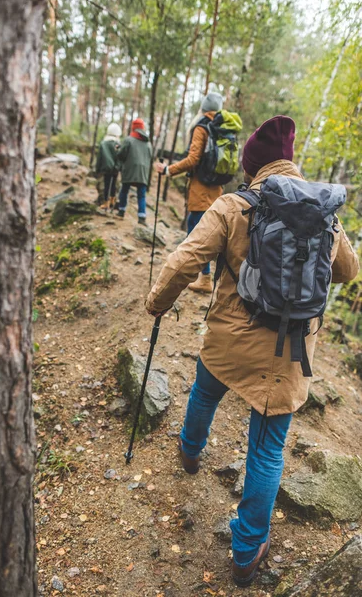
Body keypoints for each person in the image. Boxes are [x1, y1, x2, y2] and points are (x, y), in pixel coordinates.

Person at [146, 116, 359, 587]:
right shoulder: (323, 212)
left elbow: (185, 259)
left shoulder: (233, 205)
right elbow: (348, 270)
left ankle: (190, 450)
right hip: (288, 357)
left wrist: (157, 303)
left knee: (204, 392)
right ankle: (246, 554)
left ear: (252, 165)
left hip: (229, 341)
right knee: (266, 452)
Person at [155, 92, 224, 294]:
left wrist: (169, 170)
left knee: (195, 231)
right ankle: (209, 277)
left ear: (203, 108)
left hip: (201, 188)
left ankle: (201, 278)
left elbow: (193, 159)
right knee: (211, 232)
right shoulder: (221, 128)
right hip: (217, 188)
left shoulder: (202, 127)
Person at [117, 118, 152, 225]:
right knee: (141, 195)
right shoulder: (148, 143)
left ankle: (121, 211)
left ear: (134, 128)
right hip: (143, 172)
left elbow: (121, 155)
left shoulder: (128, 140)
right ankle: (142, 217)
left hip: (130, 169)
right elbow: (150, 157)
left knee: (124, 190)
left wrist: (118, 150)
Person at [94, 122, 122, 211]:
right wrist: (119, 167)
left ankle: (106, 202)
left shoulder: (103, 143)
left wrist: (97, 168)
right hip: (115, 168)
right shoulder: (118, 144)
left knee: (106, 184)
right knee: (113, 184)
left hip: (106, 168)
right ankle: (112, 201)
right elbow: (120, 157)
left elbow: (100, 157)